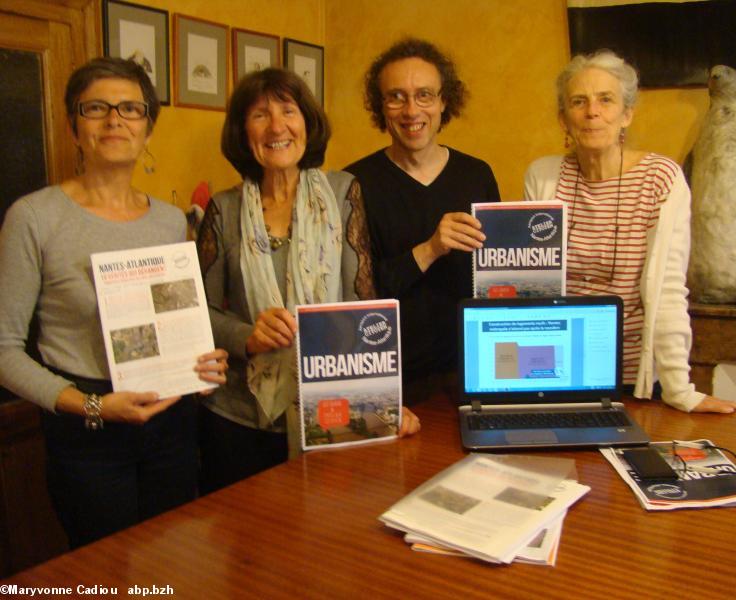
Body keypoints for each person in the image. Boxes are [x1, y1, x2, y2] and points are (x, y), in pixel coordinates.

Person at [0, 57, 228, 549]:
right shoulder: (33, 218)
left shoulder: (170, 221)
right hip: (87, 431)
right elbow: (4, 351)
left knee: (173, 560)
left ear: (148, 128)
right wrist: (93, 406)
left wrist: (201, 363)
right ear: (72, 125)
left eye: (131, 108)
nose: (114, 120)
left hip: (171, 424)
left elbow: (174, 319)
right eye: (96, 107)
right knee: (105, 573)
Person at [196, 68, 421, 494]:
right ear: (243, 132)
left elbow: (362, 306)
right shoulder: (222, 210)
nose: (277, 126)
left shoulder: (342, 191)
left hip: (330, 408)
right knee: (245, 551)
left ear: (307, 123)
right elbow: (197, 314)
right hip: (241, 417)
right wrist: (247, 336)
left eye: (288, 110)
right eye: (261, 115)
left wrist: (383, 402)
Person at [523, 49, 736, 414]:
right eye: (579, 101)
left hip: (631, 377)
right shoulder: (542, 176)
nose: (593, 112)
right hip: (556, 372)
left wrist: (679, 390)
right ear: (564, 118)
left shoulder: (660, 178)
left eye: (606, 100)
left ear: (627, 114)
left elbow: (668, 288)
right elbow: (530, 283)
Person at [345, 38, 500, 401]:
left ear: (445, 102)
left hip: (473, 373)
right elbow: (356, 296)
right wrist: (429, 249)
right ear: (380, 107)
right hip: (394, 381)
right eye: (396, 97)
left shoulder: (477, 175)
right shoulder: (355, 183)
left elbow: (495, 277)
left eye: (425, 95)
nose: (411, 110)